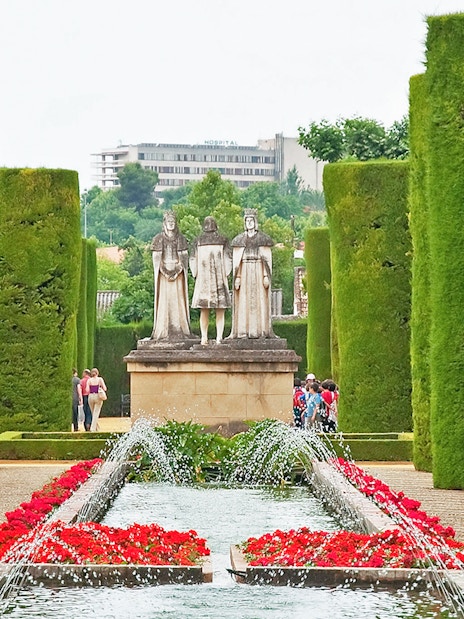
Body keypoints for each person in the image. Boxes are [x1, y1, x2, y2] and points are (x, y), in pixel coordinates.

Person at [229, 209, 274, 339]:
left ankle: (261, 331)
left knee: (259, 300)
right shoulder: (239, 240)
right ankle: (243, 331)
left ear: (255, 222)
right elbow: (238, 263)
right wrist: (237, 277)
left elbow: (266, 260)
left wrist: (266, 275)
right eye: (247, 221)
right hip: (245, 273)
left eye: (251, 220)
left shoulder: (263, 239)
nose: (249, 223)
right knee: (244, 301)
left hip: (258, 272)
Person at [190, 216, 232, 345]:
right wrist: (226, 274)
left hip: (206, 280)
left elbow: (192, 259)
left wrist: (195, 273)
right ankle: (216, 338)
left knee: (206, 310)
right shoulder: (222, 239)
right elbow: (228, 259)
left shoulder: (198, 240)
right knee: (217, 310)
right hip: (216, 279)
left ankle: (206, 338)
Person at [150, 211, 191, 341]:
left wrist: (177, 271)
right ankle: (163, 330)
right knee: (164, 301)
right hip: (164, 276)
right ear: (164, 223)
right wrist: (166, 272)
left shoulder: (181, 239)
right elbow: (157, 260)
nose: (171, 224)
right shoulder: (158, 239)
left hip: (177, 275)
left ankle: (180, 329)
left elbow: (184, 259)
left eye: (173, 222)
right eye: (169, 222)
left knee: (178, 301)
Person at [87, 368, 107, 432]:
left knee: (93, 413)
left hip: (90, 396)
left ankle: (96, 428)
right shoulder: (100, 379)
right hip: (98, 396)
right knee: (96, 413)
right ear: (97, 373)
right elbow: (105, 388)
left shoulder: (89, 380)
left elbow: (87, 390)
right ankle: (93, 429)